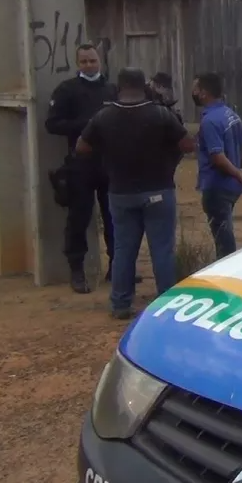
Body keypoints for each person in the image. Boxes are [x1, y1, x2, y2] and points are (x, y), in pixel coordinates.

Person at [76, 67, 194, 319]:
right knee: (162, 250)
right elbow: (187, 144)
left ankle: (120, 304)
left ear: (119, 87)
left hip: (121, 192)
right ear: (144, 86)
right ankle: (166, 306)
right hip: (158, 190)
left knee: (124, 250)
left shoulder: (104, 116)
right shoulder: (160, 114)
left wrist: (107, 152)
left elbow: (82, 147)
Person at [46, 44, 143, 293]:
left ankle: (117, 267)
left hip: (110, 164)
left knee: (115, 216)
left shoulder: (112, 90)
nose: (89, 65)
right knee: (79, 217)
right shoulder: (67, 90)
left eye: (92, 60)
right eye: (84, 61)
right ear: (77, 63)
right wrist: (87, 124)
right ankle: (77, 270)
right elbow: (52, 124)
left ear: (100, 61)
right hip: (81, 165)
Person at [193, 72, 242, 259]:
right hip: (233, 186)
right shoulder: (230, 114)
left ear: (204, 93)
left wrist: (238, 173)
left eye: (195, 89)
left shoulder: (210, 121)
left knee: (223, 241)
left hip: (217, 186)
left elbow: (217, 156)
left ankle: (227, 269)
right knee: (225, 232)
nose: (193, 93)